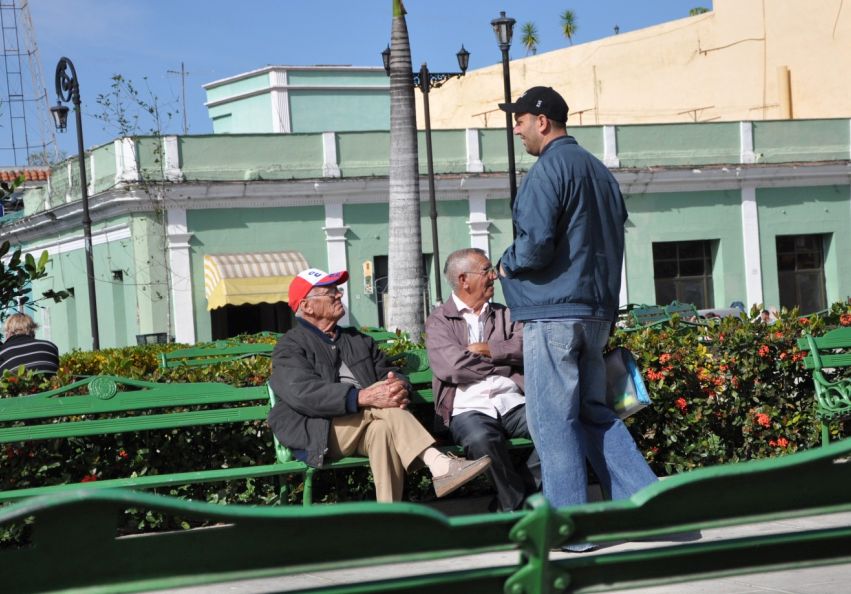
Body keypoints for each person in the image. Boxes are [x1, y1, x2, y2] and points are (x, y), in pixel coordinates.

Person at [496, 87, 657, 528]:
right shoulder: (600, 172)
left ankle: (566, 528)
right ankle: (648, 509)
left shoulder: (547, 170)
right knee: (594, 415)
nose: (516, 128)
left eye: (521, 119)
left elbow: (535, 246)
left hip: (553, 313)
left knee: (551, 422)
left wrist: (505, 266)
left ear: (542, 122)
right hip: (596, 311)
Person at [268, 267, 492, 503]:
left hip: (369, 424)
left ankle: (390, 519)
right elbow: (302, 394)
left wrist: (399, 387)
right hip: (320, 431)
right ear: (307, 306)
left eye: (337, 289)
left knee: (382, 431)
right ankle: (438, 462)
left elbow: (390, 373)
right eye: (330, 292)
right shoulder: (289, 347)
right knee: (381, 404)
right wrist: (360, 397)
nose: (338, 295)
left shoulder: (358, 340)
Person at [425, 248, 540, 512]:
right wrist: (504, 363)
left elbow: (528, 345)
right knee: (481, 440)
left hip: (512, 401)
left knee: (556, 426)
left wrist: (489, 349)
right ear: (464, 279)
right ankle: (517, 506)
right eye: (487, 271)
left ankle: (510, 502)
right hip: (467, 408)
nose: (494, 277)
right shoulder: (439, 320)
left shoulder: (505, 313)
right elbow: (452, 367)